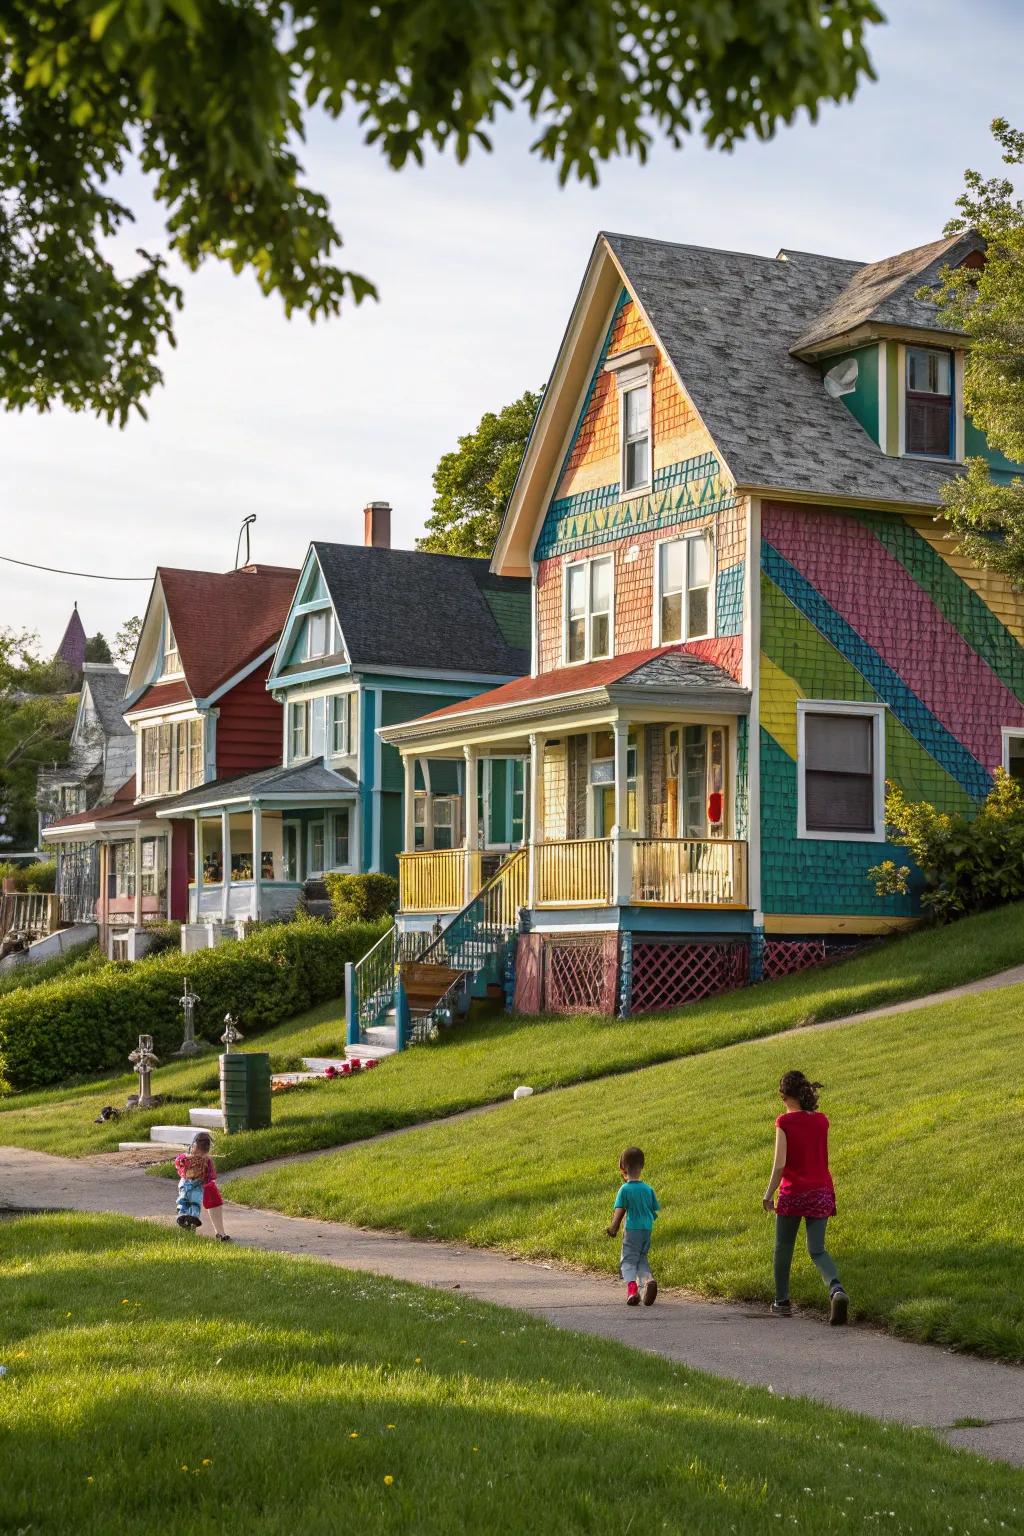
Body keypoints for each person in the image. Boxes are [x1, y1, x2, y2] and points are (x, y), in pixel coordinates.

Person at [763, 1070, 848, 1325]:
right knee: (817, 1249)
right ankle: (836, 1289)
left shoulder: (785, 1122)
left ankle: (781, 1302)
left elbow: (780, 1165)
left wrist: (768, 1195)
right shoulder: (822, 1120)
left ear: (786, 1096)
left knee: (783, 1247)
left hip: (793, 1194)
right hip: (821, 1191)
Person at [606, 1145, 660, 1307]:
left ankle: (632, 1290)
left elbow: (620, 1211)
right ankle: (648, 1280)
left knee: (628, 1261)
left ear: (622, 1168)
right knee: (641, 1258)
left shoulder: (625, 1189)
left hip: (632, 1229)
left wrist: (613, 1228)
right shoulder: (648, 1189)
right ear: (642, 1166)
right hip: (647, 1229)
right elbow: (653, 1210)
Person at [174, 1131, 231, 1240]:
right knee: (187, 1201)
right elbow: (179, 1165)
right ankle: (188, 1226)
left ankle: (219, 1232)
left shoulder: (206, 1161)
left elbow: (210, 1175)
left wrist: (207, 1180)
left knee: (198, 1202)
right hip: (189, 1184)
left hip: (200, 1184)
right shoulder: (186, 1158)